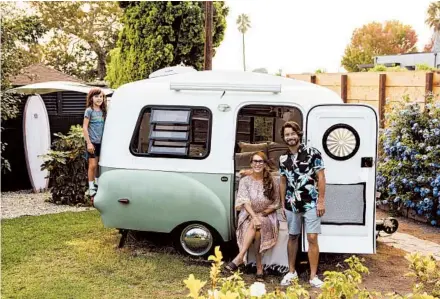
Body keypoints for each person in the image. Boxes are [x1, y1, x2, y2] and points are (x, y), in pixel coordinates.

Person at [278, 121, 326, 288]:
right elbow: (282, 182)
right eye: (287, 135)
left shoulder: (313, 153)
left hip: (311, 202)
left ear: (299, 134)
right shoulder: (283, 158)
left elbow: (321, 177)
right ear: (284, 138)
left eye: (292, 133)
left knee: (312, 237)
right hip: (292, 203)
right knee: (292, 236)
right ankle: (291, 272)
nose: (290, 137)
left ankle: (313, 276)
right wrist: (282, 204)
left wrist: (321, 201)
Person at [225, 151, 280, 282]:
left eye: (261, 161)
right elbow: (244, 201)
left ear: (265, 164)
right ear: (251, 163)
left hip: (267, 215)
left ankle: (239, 257)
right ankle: (259, 267)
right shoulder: (245, 181)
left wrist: (262, 214)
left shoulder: (273, 181)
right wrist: (254, 216)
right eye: (255, 161)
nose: (257, 164)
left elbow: (276, 203)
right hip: (248, 215)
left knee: (257, 224)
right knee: (256, 226)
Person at [82, 87, 107, 197]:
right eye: (96, 96)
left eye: (101, 96)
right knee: (92, 165)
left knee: (98, 165)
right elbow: (84, 127)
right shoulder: (89, 111)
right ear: (91, 98)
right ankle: (91, 186)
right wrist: (88, 143)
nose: (99, 99)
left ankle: (97, 184)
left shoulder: (104, 111)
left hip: (102, 142)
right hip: (92, 142)